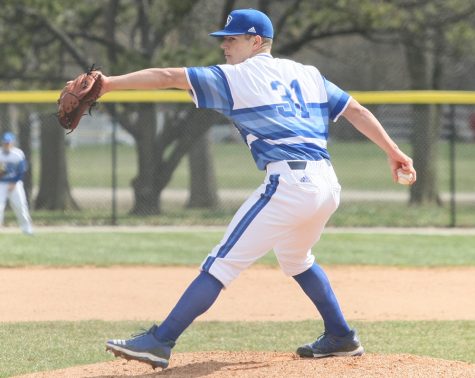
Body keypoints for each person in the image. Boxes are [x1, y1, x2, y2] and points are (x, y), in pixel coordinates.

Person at [102, 9, 417, 369]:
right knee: (297, 259)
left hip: (289, 184)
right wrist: (394, 152)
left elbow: (168, 76)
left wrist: (110, 83)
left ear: (255, 41)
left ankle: (159, 341)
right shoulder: (308, 74)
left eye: (232, 39)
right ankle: (341, 337)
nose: (225, 46)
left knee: (222, 263)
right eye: (224, 40)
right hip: (327, 184)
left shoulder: (238, 77)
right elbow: (355, 110)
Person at [0, 131, 34, 235]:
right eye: (5, 142)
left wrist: (13, 182)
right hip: (1, 184)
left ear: (12, 143)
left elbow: (21, 171)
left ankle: (27, 230)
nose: (6, 145)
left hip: (15, 184)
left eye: (8, 142)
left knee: (20, 206)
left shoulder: (18, 154)